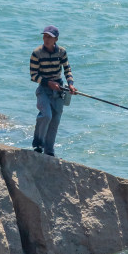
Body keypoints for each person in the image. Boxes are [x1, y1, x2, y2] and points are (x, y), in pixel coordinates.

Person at [30, 25, 78, 156]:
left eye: (49, 37)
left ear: (55, 39)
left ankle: (49, 151)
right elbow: (33, 75)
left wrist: (71, 85)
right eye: (45, 36)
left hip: (59, 90)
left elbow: (67, 70)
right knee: (46, 115)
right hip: (44, 89)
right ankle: (38, 144)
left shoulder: (62, 52)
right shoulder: (36, 53)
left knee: (55, 121)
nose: (46, 39)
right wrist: (48, 83)